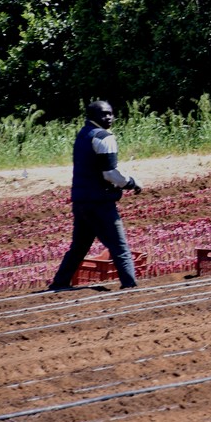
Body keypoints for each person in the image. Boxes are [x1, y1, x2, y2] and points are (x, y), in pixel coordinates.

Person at [47, 100, 142, 291]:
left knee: (80, 246)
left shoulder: (83, 135)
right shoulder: (104, 137)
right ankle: (129, 284)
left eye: (110, 113)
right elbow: (109, 173)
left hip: (81, 200)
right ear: (92, 117)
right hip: (100, 202)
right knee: (118, 245)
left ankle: (60, 282)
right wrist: (131, 183)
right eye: (103, 114)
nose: (108, 117)